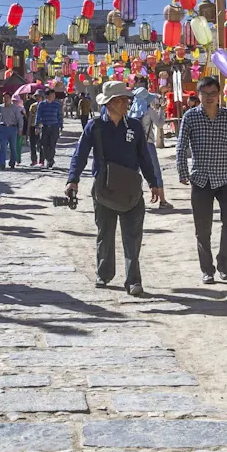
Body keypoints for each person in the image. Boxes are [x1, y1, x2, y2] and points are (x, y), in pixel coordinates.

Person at [68, 81, 164, 297]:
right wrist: (72, 179)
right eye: (120, 100)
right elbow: (80, 153)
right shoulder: (95, 127)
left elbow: (144, 157)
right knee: (105, 233)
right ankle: (104, 273)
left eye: (126, 99)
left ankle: (133, 281)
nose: (125, 103)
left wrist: (153, 182)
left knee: (132, 236)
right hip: (104, 189)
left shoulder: (135, 126)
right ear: (109, 103)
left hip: (131, 188)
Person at [175, 76, 227, 285]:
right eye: (205, 94)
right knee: (202, 227)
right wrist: (182, 171)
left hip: (225, 178)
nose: (209, 98)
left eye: (213, 94)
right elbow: (181, 146)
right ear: (198, 96)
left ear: (219, 95)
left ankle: (224, 262)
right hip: (201, 179)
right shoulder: (190, 117)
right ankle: (207, 269)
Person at [0, 92, 25, 169]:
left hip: (12, 129)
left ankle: (12, 162)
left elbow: (19, 119)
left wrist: (20, 129)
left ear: (10, 98)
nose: (5, 99)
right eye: (4, 97)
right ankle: (2, 164)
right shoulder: (0, 107)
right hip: (3, 128)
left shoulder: (15, 108)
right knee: (3, 147)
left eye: (7, 97)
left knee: (13, 147)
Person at [131, 76, 164, 148]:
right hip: (148, 143)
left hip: (135, 144)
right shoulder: (149, 110)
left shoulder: (132, 111)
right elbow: (160, 124)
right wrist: (162, 111)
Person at [36, 89, 65, 167]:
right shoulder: (41, 105)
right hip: (44, 127)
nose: (53, 97)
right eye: (52, 95)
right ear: (47, 96)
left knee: (52, 145)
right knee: (44, 145)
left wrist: (61, 126)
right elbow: (38, 116)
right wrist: (37, 126)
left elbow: (60, 116)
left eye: (54, 95)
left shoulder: (57, 105)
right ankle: (49, 159)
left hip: (54, 127)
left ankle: (50, 160)